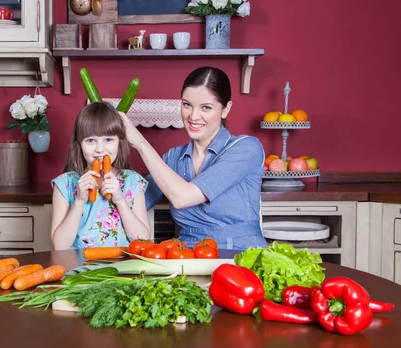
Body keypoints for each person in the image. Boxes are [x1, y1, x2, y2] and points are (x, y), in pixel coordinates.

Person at [119, 66, 267, 250]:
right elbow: (133, 198)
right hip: (186, 258)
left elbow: (183, 197)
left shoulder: (246, 148)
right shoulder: (173, 158)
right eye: (187, 104)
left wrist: (140, 143)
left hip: (242, 256)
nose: (193, 116)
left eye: (206, 107)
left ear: (225, 109)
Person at [51, 101, 150, 250]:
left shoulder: (132, 181)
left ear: (119, 142)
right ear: (79, 144)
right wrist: (79, 201)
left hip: (123, 268)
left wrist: (120, 201)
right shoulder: (65, 184)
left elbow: (143, 240)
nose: (100, 149)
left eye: (108, 140)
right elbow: (60, 246)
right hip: (79, 268)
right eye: (90, 140)